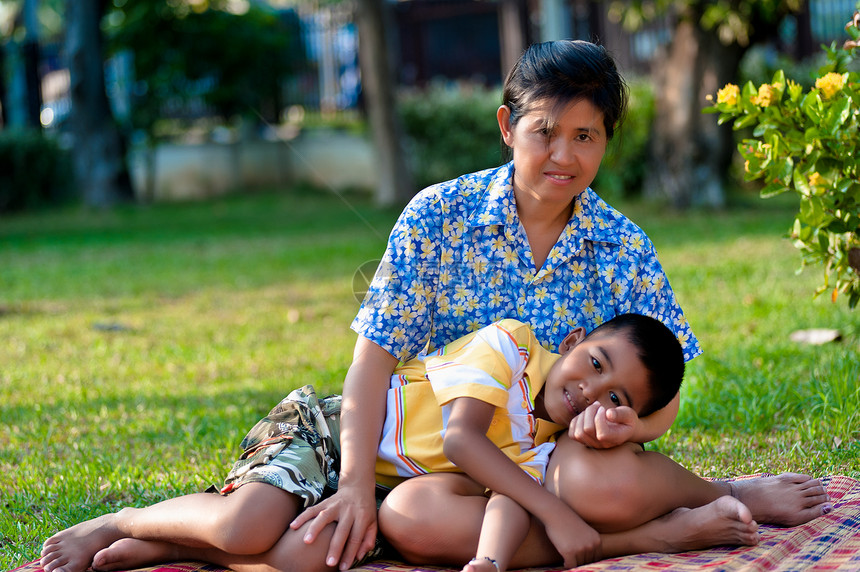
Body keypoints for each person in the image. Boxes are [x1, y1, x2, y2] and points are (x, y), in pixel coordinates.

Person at [43, 38, 832, 572]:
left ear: (607, 141)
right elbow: (371, 361)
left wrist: (625, 422)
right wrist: (354, 481)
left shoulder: (621, 244)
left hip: (492, 476)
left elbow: (660, 386)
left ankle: (685, 508)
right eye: (545, 131)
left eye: (587, 137)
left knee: (568, 489)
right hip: (372, 433)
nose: (564, 155)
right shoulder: (438, 216)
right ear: (507, 127)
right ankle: (133, 526)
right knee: (273, 544)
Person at [41, 314, 681, 572]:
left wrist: (489, 559)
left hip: (382, 488)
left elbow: (504, 500)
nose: (593, 392)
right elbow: (461, 442)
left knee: (301, 562)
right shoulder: (512, 347)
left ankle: (158, 545)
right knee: (246, 528)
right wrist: (558, 513)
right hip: (329, 433)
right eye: (595, 363)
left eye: (617, 398)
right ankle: (119, 522)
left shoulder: (550, 450)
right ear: (571, 343)